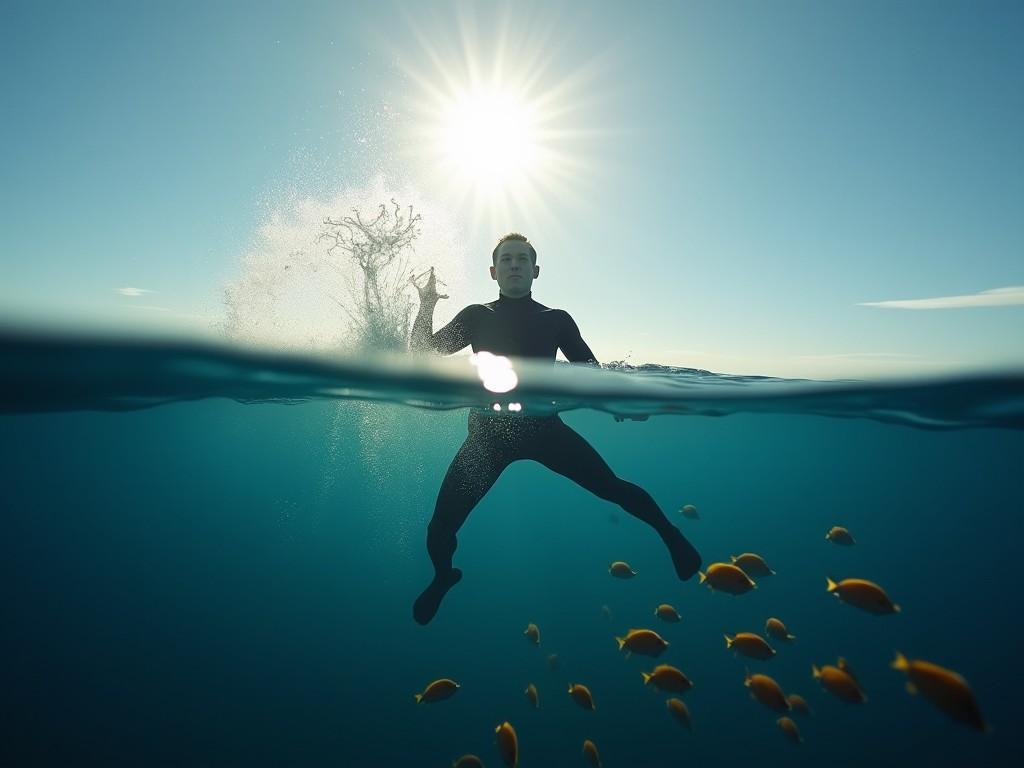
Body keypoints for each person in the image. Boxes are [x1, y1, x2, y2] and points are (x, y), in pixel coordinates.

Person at [408, 233, 701, 625]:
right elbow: (422, 350)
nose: (515, 265)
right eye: (507, 259)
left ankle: (670, 534)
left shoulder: (557, 320)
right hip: (486, 438)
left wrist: (621, 406)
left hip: (544, 430)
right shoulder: (476, 316)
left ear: (536, 270)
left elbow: (592, 375)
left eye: (523, 259)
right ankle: (443, 576)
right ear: (493, 272)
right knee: (439, 527)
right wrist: (426, 303)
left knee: (613, 487)